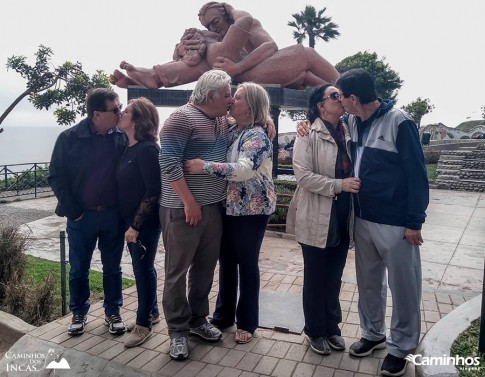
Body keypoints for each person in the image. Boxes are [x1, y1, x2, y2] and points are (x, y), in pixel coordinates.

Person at [337, 69, 429, 377]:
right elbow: (319, 113)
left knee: (404, 286)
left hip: (396, 222)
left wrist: (414, 221)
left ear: (354, 98)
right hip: (362, 217)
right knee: (369, 282)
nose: (340, 102)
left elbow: (418, 174)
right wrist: (306, 123)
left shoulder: (399, 122)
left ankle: (401, 346)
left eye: (342, 97)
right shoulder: (351, 121)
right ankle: (373, 333)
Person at [184, 82, 276, 344]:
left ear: (251, 105)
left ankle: (247, 321)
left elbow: (244, 169)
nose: (231, 100)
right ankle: (223, 316)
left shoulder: (257, 135)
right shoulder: (234, 128)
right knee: (226, 262)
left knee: (246, 264)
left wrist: (205, 167)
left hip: (252, 210)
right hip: (229, 207)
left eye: (237, 97)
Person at [158, 70, 234, 360]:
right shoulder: (181, 118)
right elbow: (168, 162)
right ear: (211, 95)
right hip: (182, 210)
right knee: (176, 273)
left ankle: (198, 320)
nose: (230, 99)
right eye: (227, 94)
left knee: (205, 268)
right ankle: (177, 330)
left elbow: (242, 120)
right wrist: (189, 202)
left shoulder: (220, 121)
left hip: (213, 207)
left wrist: (264, 119)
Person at [286, 85, 360, 355]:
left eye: (341, 94)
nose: (340, 99)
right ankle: (314, 330)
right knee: (315, 277)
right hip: (316, 214)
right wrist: (340, 185)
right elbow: (303, 177)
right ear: (320, 105)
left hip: (343, 214)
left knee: (334, 276)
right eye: (333, 96)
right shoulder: (309, 134)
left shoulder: (350, 128)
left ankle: (332, 327)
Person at [48, 88, 128, 336]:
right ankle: (79, 313)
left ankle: (113, 311)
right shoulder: (69, 138)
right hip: (82, 217)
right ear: (96, 113)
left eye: (120, 107)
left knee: (113, 267)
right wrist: (75, 211)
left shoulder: (121, 137)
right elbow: (56, 176)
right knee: (79, 268)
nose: (120, 113)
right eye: (115, 110)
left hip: (112, 216)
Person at [111, 25, 339, 90]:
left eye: (214, 20)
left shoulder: (239, 29)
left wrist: (237, 67)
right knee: (305, 57)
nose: (212, 25)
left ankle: (345, 91)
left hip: (253, 71)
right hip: (249, 76)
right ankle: (152, 78)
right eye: (208, 24)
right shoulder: (212, 47)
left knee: (305, 61)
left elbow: (270, 46)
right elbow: (189, 61)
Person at [115, 97, 161, 348]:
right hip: (130, 220)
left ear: (138, 119)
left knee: (143, 271)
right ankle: (151, 312)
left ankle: (144, 325)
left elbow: (154, 190)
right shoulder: (128, 146)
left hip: (144, 223)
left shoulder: (147, 150)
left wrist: (135, 226)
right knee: (143, 269)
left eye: (127, 111)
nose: (121, 113)